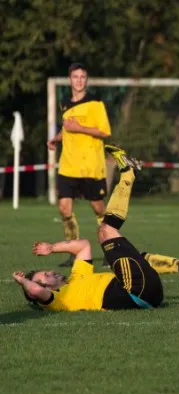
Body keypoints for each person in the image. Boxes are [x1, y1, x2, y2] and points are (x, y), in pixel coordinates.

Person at [11, 145, 179, 311]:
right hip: (133, 292)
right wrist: (23, 282)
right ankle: (128, 173)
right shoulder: (57, 300)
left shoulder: (77, 277)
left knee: (133, 254)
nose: (50, 273)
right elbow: (35, 292)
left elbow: (83, 246)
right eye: (44, 277)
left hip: (148, 293)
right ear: (43, 289)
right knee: (105, 230)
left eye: (46, 272)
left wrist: (52, 248)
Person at [47, 63, 112, 267]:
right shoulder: (65, 103)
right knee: (64, 208)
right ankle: (74, 251)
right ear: (70, 79)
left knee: (99, 209)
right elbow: (67, 129)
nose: (79, 80)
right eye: (75, 77)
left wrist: (79, 127)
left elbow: (104, 131)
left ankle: (111, 249)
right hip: (68, 166)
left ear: (86, 79)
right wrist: (56, 138)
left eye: (83, 77)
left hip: (90, 166)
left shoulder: (95, 103)